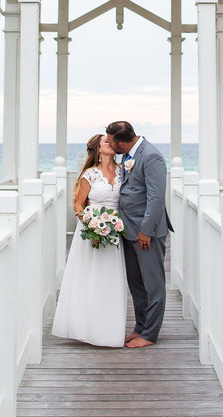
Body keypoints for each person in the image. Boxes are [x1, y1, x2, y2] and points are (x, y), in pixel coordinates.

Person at [51, 133, 126, 347]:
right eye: (106, 142)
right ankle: (85, 327)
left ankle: (110, 329)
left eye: (112, 142)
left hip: (115, 232)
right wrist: (90, 223)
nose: (111, 144)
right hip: (90, 232)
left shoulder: (123, 172)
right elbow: (78, 203)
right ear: (98, 149)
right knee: (89, 277)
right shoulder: (90, 175)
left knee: (110, 278)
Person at [106, 120, 172, 348]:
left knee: (153, 284)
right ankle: (140, 327)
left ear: (121, 143)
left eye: (111, 142)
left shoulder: (151, 156)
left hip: (146, 233)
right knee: (136, 284)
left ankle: (150, 334)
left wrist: (146, 231)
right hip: (129, 230)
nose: (110, 146)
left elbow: (156, 197)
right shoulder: (128, 155)